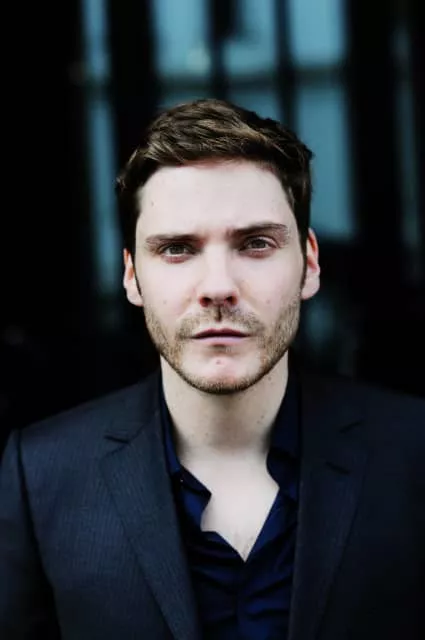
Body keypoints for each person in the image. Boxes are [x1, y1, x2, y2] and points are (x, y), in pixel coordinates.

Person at [1, 99, 424, 640]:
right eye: (178, 249)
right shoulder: (39, 477)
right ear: (131, 276)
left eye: (256, 244)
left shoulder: (414, 455)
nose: (219, 286)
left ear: (309, 263)